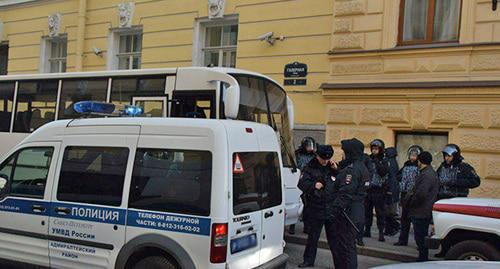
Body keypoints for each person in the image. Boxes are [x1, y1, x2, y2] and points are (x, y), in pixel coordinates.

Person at [327, 138, 370, 269]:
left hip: (348, 213)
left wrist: (332, 211)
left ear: (350, 152)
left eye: (344, 151)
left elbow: (346, 193)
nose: (342, 154)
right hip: (356, 211)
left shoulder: (351, 170)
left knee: (345, 249)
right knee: (348, 247)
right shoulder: (361, 166)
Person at [434, 143, 480, 257]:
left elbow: (476, 181)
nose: (446, 158)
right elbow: (436, 179)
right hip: (443, 200)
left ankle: (455, 250)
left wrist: (456, 182)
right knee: (442, 226)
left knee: (454, 228)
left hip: (457, 200)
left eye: (449, 156)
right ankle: (444, 250)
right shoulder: (442, 166)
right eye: (445, 156)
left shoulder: (464, 167)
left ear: (455, 155)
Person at [297, 145, 337, 268]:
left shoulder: (332, 167)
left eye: (328, 158)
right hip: (315, 207)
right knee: (313, 238)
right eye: (323, 158)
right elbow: (301, 184)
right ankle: (308, 261)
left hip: (330, 208)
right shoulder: (310, 167)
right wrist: (314, 185)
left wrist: (336, 170)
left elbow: (339, 182)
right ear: (317, 156)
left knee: (334, 239)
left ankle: (340, 263)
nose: (325, 161)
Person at [406, 151, 439, 262]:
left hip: (421, 210)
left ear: (421, 161)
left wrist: (410, 202)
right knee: (420, 235)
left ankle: (423, 258)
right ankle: (422, 257)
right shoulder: (428, 172)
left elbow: (421, 194)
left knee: (420, 236)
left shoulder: (426, 175)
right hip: (423, 209)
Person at [394, 145, 422, 246]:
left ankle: (419, 244)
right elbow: (397, 175)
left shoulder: (420, 167)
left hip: (414, 196)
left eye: (415, 155)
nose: (412, 157)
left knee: (415, 222)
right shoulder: (405, 166)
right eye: (411, 155)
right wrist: (402, 179)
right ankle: (402, 240)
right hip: (405, 195)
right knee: (404, 220)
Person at [364, 139, 389, 242]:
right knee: (367, 211)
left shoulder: (384, 160)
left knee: (380, 212)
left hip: (379, 189)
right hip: (368, 188)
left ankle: (381, 233)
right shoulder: (368, 159)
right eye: (373, 148)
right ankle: (367, 230)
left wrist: (376, 161)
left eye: (376, 149)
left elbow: (383, 172)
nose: (374, 150)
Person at [294, 136, 317, 235]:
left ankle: (307, 226)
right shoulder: (297, 154)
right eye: (308, 146)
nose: (310, 149)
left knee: (307, 206)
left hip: (308, 182)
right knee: (295, 205)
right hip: (296, 180)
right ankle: (292, 226)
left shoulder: (314, 156)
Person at [384, 147, 400, 237]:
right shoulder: (394, 162)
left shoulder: (390, 162)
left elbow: (391, 177)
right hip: (392, 190)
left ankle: (392, 228)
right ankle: (389, 229)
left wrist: (389, 190)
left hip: (390, 190)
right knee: (389, 212)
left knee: (389, 212)